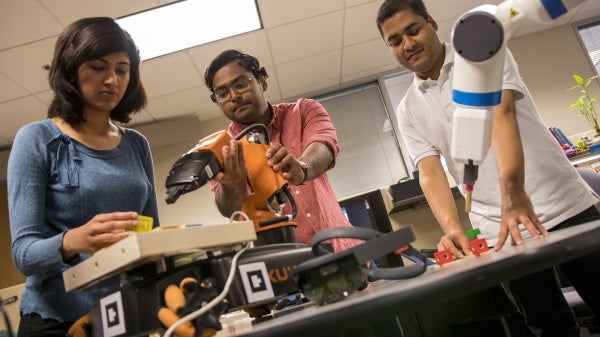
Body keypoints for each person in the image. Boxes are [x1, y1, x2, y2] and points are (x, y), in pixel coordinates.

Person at [376, 1, 600, 336]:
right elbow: (430, 170)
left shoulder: (480, 47)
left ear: (432, 24)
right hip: (499, 231)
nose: (407, 44)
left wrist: (513, 191)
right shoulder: (408, 108)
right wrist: (452, 228)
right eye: (395, 41)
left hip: (563, 203)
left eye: (413, 30)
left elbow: (501, 113)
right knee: (549, 328)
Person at [7, 17, 160, 337]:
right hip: (57, 322)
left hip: (125, 315)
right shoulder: (36, 139)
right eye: (98, 67)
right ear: (70, 70)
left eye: (122, 69)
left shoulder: (136, 145)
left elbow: (151, 235)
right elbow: (23, 253)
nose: (112, 80)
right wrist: (73, 241)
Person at [203, 49, 356, 252]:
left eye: (240, 84)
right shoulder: (221, 149)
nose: (234, 96)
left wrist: (300, 168)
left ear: (262, 82)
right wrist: (230, 186)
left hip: (340, 247)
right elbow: (229, 209)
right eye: (222, 93)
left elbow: (323, 147)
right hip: (284, 265)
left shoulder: (304, 111)